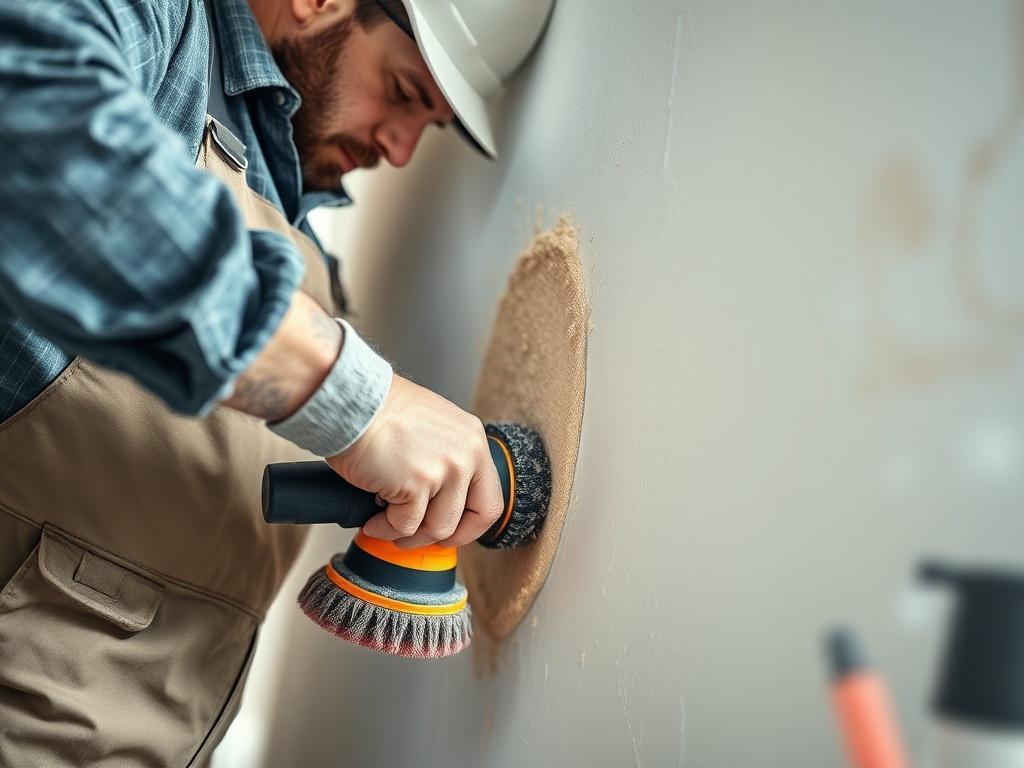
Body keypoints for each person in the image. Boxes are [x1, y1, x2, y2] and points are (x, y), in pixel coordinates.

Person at [0, 0, 552, 763]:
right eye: (403, 92)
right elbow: (36, 143)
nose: (399, 151)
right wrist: (361, 405)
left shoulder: (305, 261)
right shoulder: (153, 27)